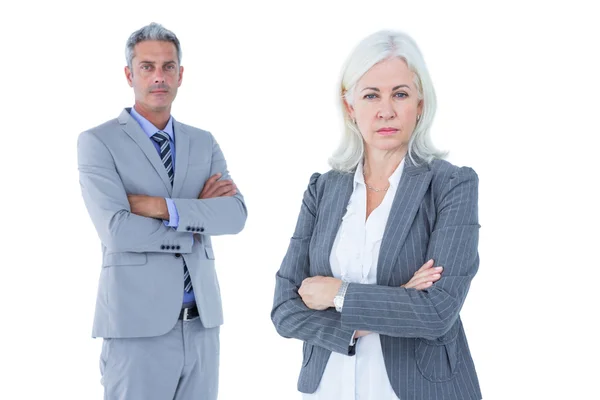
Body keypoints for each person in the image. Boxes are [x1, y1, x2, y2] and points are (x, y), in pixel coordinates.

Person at [271, 30, 481, 400]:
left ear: (420, 103)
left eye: (400, 94)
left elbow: (436, 312)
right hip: (328, 387)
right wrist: (397, 299)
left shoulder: (452, 185)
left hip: (418, 390)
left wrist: (337, 294)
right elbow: (285, 310)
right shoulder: (323, 189)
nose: (386, 110)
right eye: (371, 95)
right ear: (350, 106)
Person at [77, 22, 247, 400]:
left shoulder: (203, 142)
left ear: (181, 74)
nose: (159, 76)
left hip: (202, 327)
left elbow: (235, 215)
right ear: (129, 74)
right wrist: (197, 217)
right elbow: (117, 231)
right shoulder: (98, 142)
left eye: (168, 67)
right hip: (136, 330)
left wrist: (157, 207)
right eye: (147, 67)